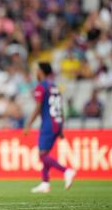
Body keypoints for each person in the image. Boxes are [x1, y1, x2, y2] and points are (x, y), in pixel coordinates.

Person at [23, 62, 76, 193]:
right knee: (45, 153)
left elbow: (38, 107)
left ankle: (67, 171)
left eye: (37, 70)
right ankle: (45, 183)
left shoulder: (41, 86)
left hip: (48, 123)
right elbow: (59, 107)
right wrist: (61, 127)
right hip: (57, 122)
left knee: (42, 155)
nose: (36, 73)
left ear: (41, 72)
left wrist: (28, 124)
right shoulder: (54, 86)